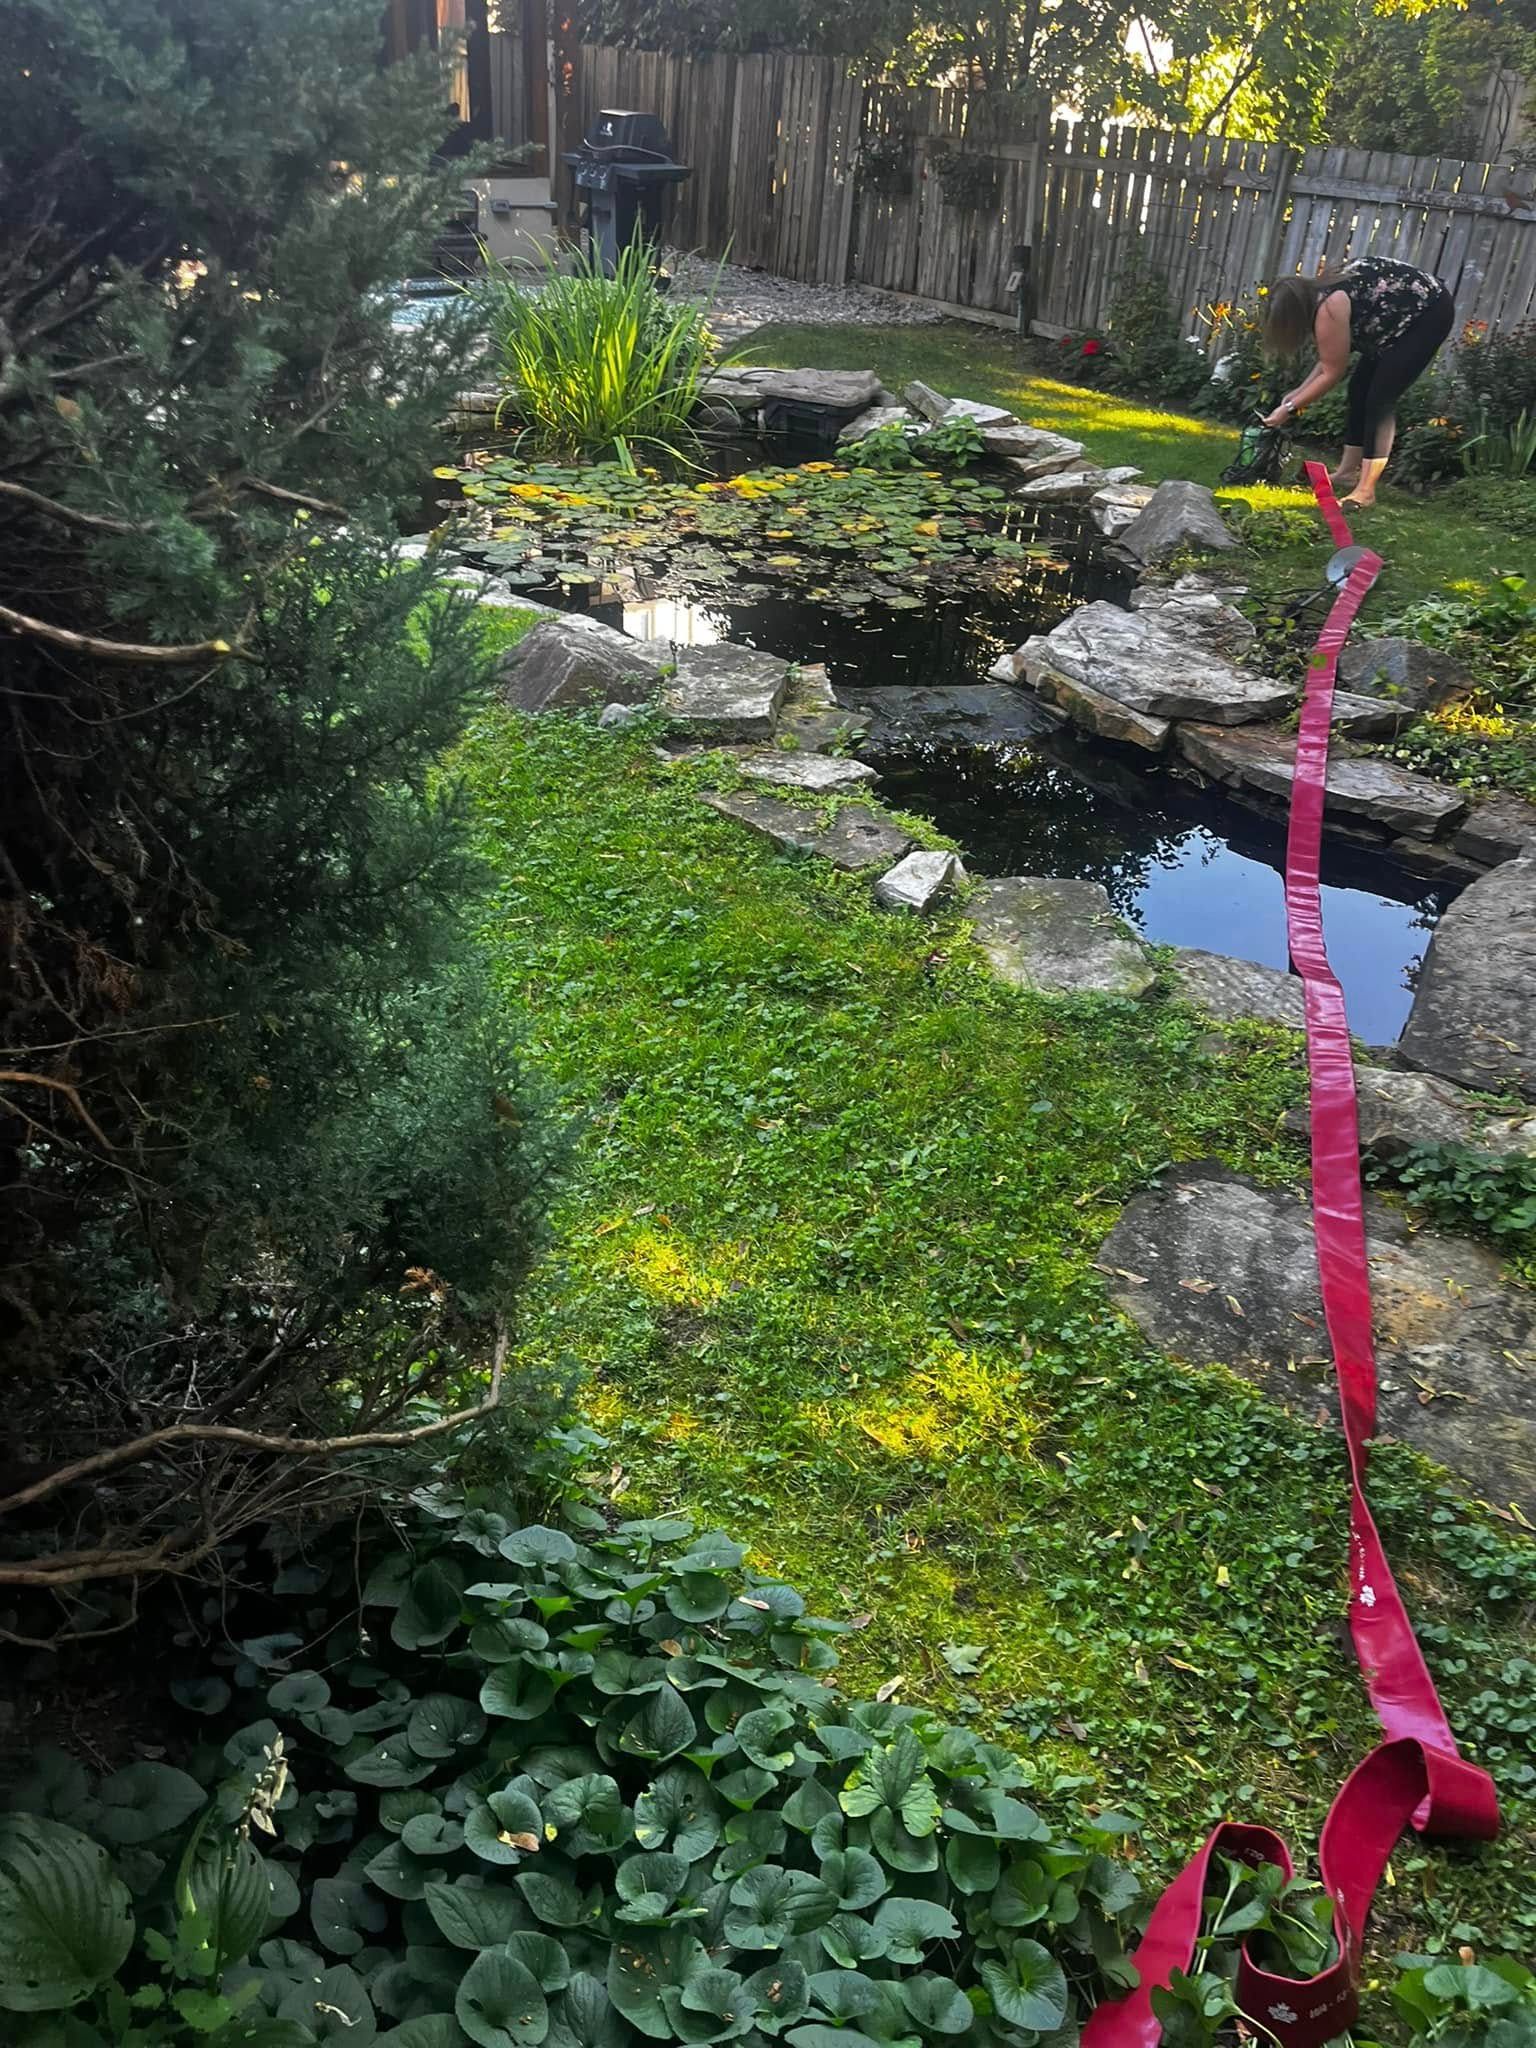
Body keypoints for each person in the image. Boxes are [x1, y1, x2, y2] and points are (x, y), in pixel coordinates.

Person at [1259, 256, 1455, 507]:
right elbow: (1328, 359)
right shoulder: (1321, 295)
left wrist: (1288, 409)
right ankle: (1347, 473)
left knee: (1380, 399)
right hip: (1393, 315)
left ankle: (1366, 491)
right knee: (1359, 389)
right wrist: (1299, 391)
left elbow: (1332, 372)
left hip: (1428, 314)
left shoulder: (1329, 307)